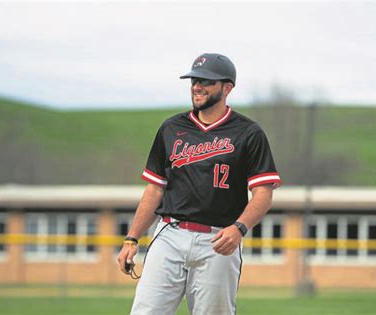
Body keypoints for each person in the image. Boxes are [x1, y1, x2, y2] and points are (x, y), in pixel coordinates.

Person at [117, 53, 281, 315]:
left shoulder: (248, 133)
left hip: (218, 240)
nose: (197, 86)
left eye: (207, 81)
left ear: (227, 88)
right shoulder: (171, 128)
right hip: (170, 234)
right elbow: (155, 189)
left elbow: (263, 194)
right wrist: (131, 238)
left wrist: (239, 228)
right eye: (195, 79)